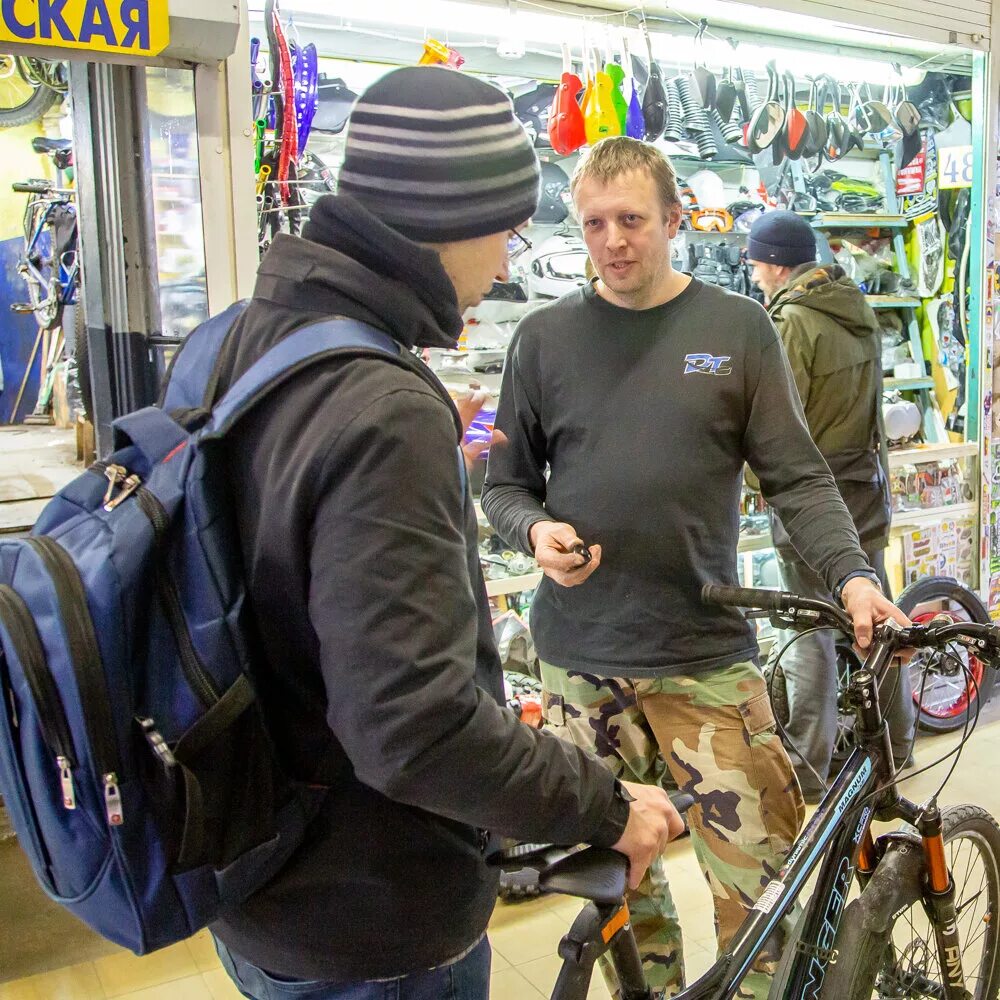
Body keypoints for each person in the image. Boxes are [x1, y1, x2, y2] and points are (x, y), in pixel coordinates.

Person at [205, 69, 682, 1000]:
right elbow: (412, 728)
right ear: (447, 219)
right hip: (372, 914)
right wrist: (604, 802)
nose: (507, 263)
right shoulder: (379, 405)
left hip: (259, 876)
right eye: (506, 232)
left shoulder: (247, 338)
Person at [482, 136, 909, 1000]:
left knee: (763, 898)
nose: (614, 241)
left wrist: (854, 577)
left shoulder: (738, 328)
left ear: (674, 221)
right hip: (578, 666)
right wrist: (532, 533)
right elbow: (506, 486)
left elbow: (796, 475)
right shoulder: (542, 338)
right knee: (616, 897)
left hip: (704, 662)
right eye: (595, 223)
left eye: (633, 220)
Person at [746, 210, 915, 802]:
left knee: (808, 639)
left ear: (772, 262)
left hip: (813, 505)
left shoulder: (792, 322)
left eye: (755, 258)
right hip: (863, 492)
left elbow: (776, 424)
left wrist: (749, 473)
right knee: (877, 628)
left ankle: (808, 770)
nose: (752, 269)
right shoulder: (855, 308)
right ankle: (898, 743)